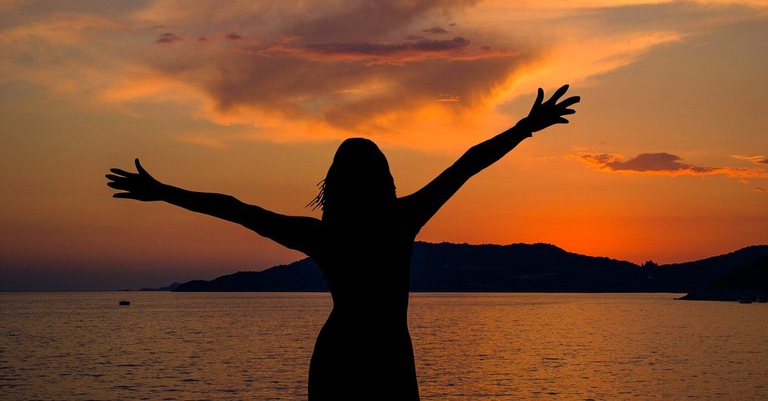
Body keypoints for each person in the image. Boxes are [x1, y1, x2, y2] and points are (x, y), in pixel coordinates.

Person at [106, 84, 579, 400]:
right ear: (385, 179)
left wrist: (164, 191)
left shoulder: (325, 235)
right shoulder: (401, 218)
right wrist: (524, 127)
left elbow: (236, 209)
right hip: (389, 355)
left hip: (338, 357)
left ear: (334, 185)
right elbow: (468, 163)